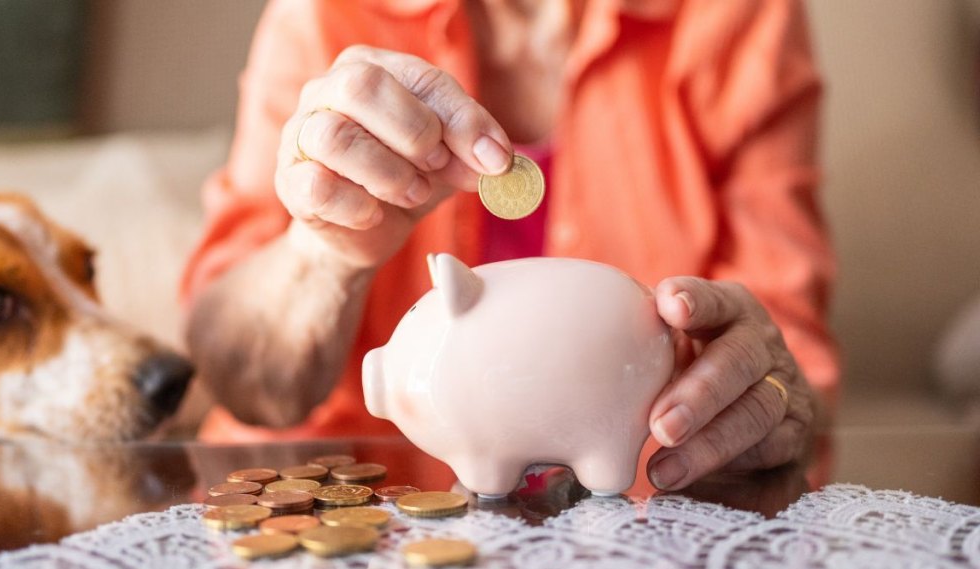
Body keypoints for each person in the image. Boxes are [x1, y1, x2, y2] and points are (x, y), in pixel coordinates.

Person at [182, 0, 839, 492]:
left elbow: (792, 359)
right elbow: (235, 378)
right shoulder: (327, 13)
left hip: (630, 520)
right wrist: (323, 257)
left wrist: (761, 390)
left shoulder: (737, 18)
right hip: (348, 506)